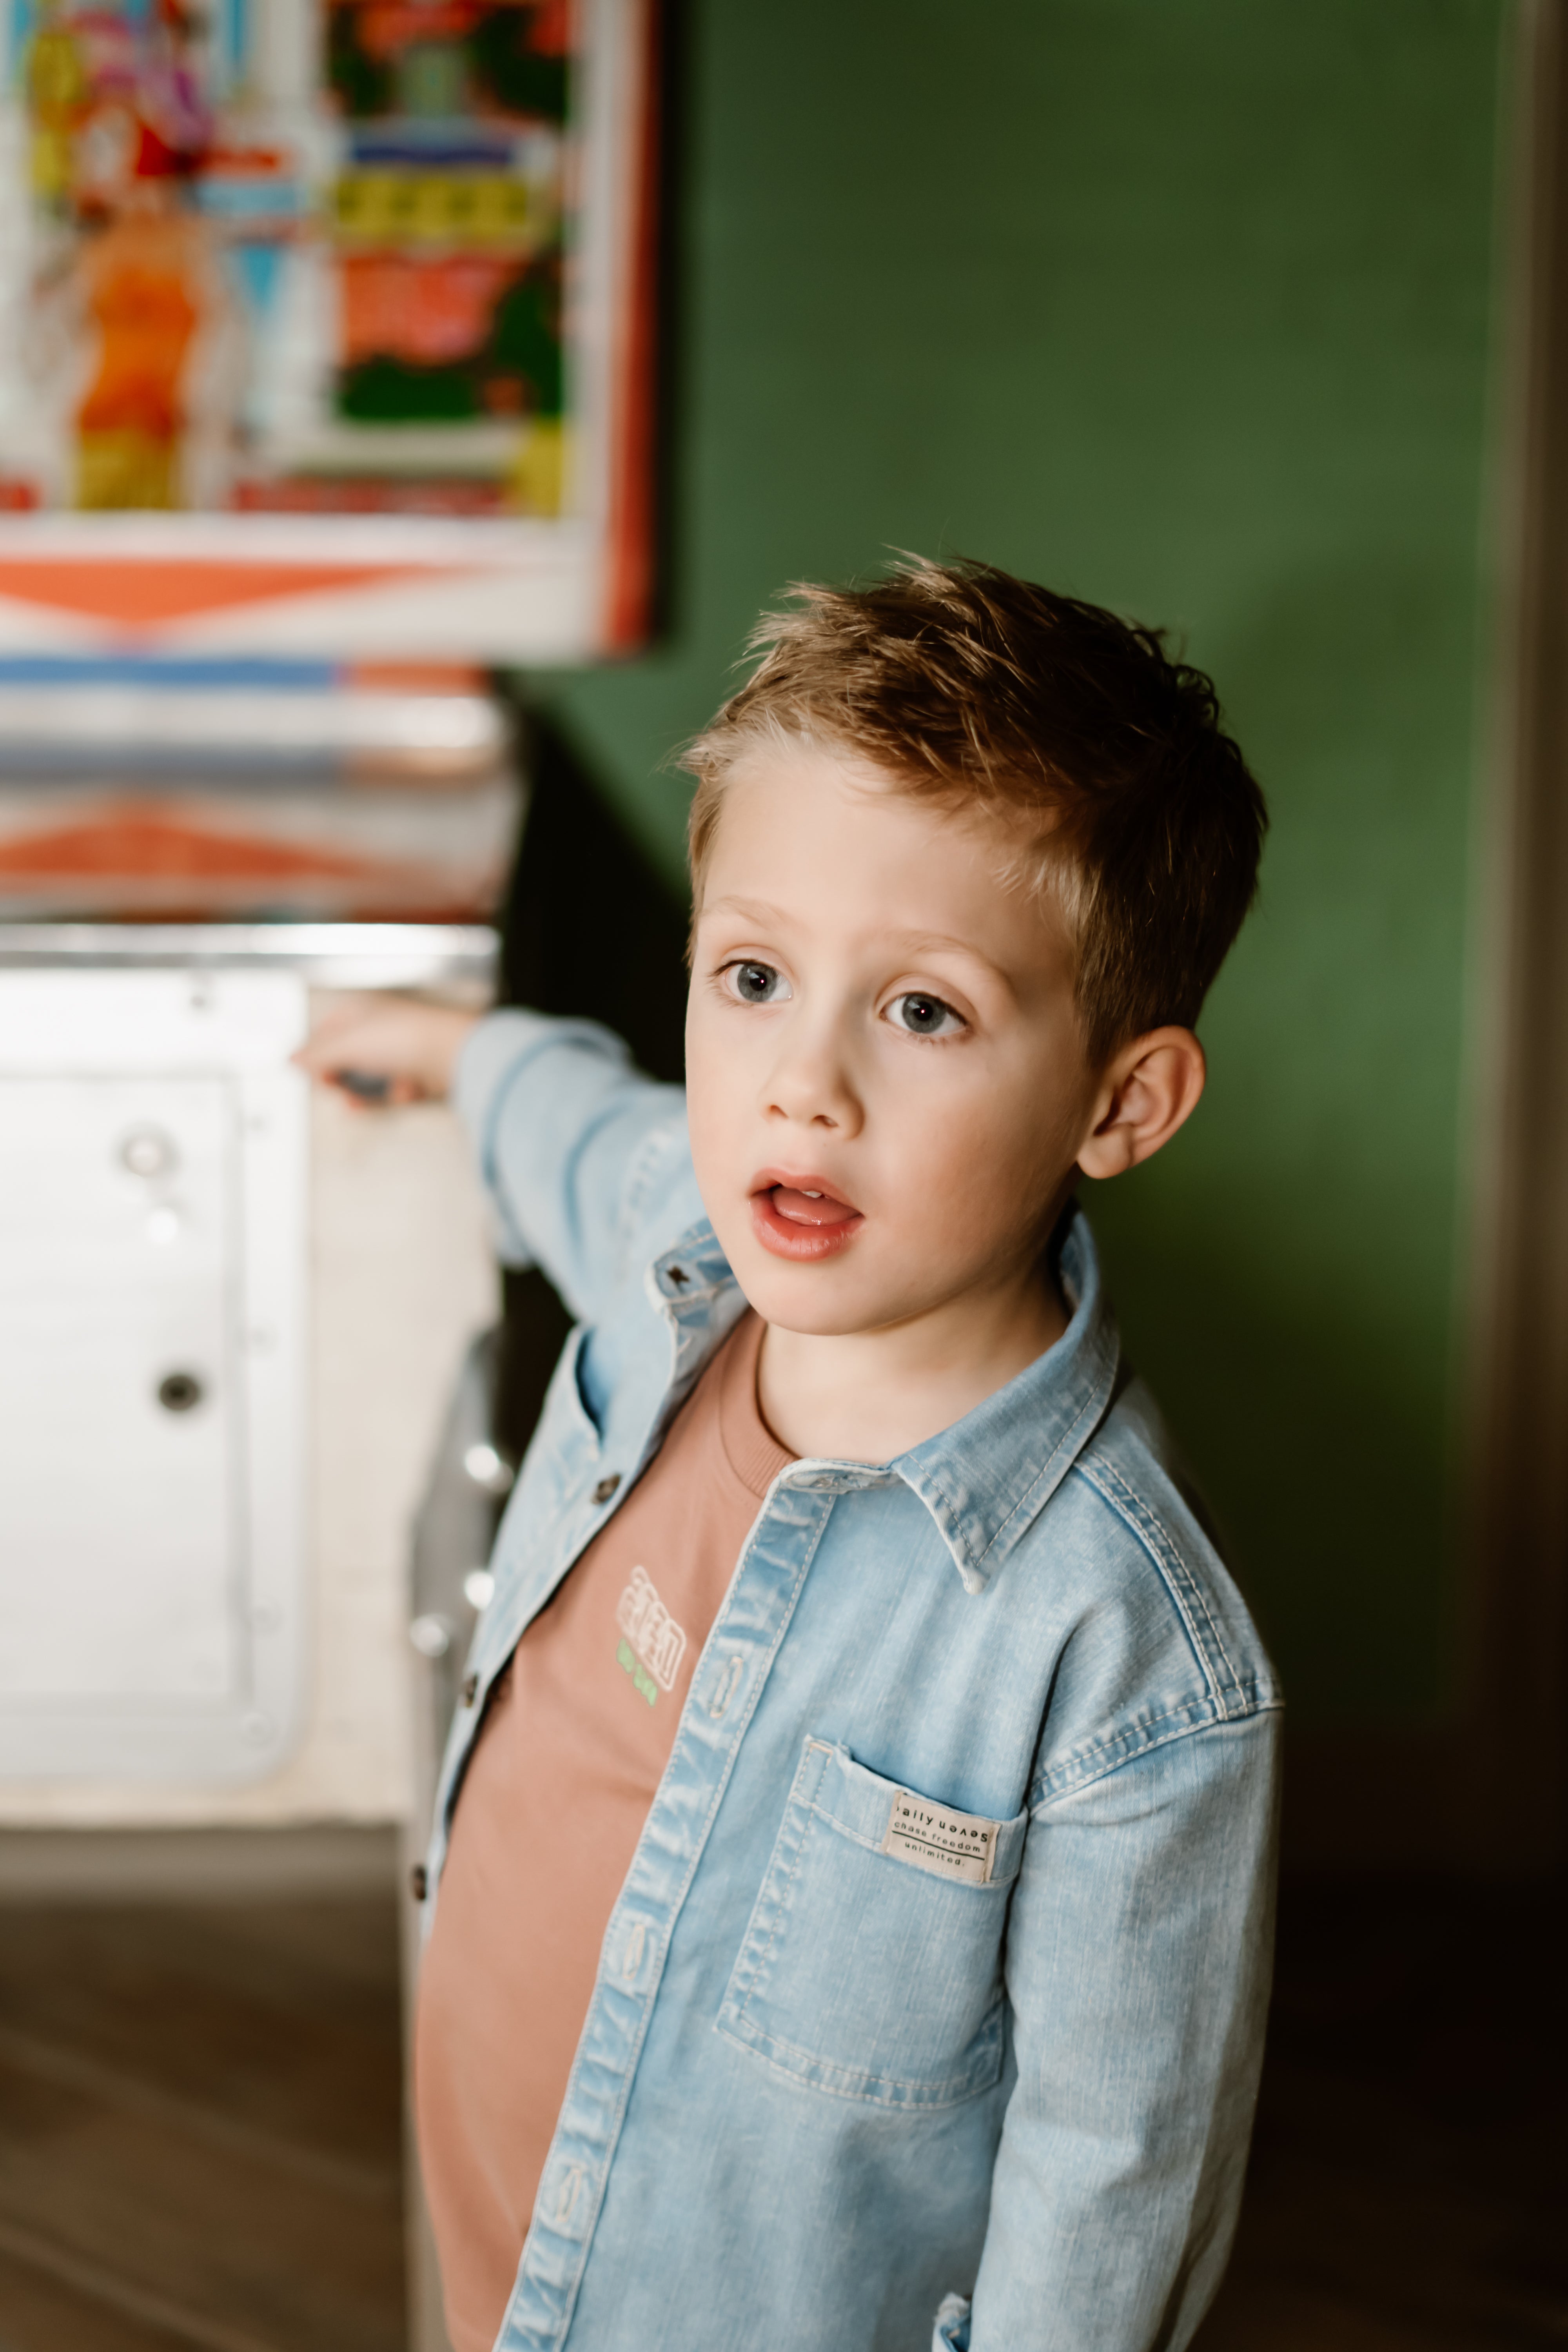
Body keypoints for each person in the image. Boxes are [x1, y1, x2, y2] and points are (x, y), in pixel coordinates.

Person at [298, 558, 1281, 2352]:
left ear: (1118, 1103)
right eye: (751, 974)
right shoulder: (681, 1228)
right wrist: (460, 1050)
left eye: (921, 1011)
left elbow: (1110, 2181)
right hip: (494, 2263)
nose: (798, 1085)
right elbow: (580, 1131)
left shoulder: (1122, 1658)